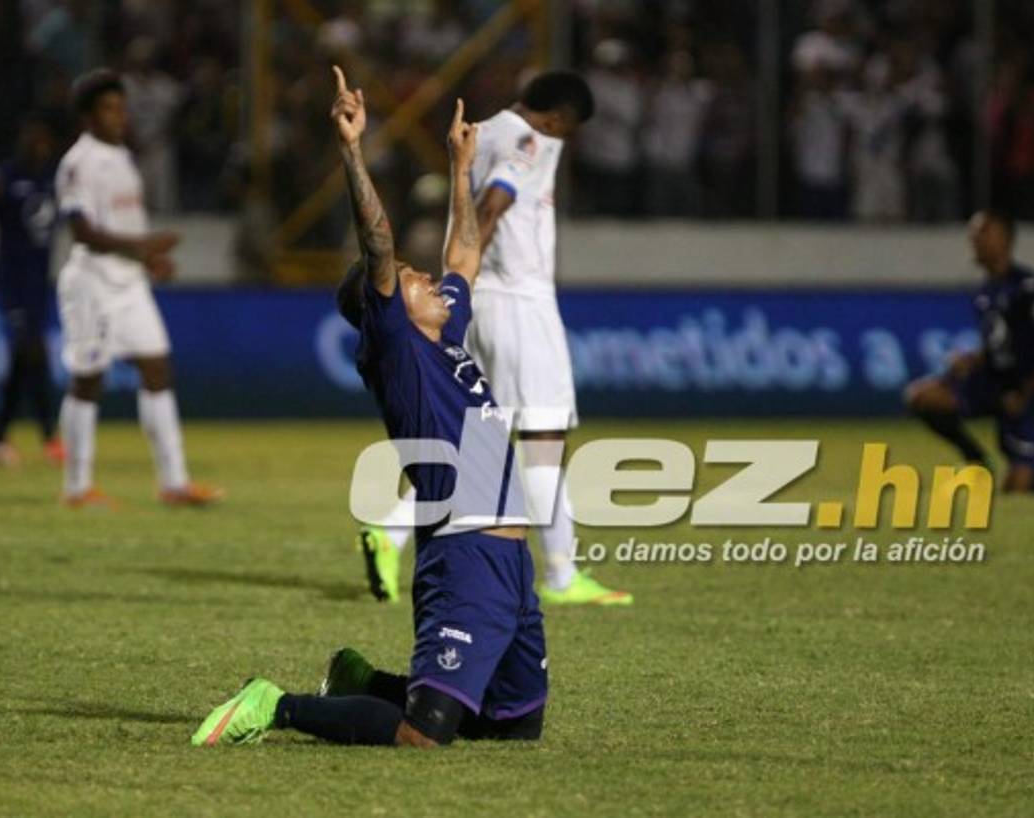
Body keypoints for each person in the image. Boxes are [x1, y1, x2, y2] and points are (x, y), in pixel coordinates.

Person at [191, 68, 545, 748]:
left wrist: (460, 167)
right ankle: (277, 705)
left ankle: (361, 680)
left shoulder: (443, 334)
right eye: (410, 279)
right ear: (387, 312)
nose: (426, 277)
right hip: (465, 555)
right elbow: (377, 244)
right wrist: (353, 148)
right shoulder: (401, 349)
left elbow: (465, 255)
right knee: (423, 735)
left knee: (514, 725)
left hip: (509, 562)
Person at [357, 70, 633, 606]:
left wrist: (461, 285)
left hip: (479, 304)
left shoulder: (479, 132)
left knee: (477, 444)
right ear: (558, 120)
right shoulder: (530, 141)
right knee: (544, 436)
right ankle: (562, 575)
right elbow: (494, 202)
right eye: (568, 130)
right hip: (518, 302)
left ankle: (389, 531)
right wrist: (464, 273)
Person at [54, 68, 221, 507]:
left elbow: (122, 225)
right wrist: (143, 247)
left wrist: (147, 259)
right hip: (92, 282)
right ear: (88, 116)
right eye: (109, 109)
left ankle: (174, 483)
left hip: (129, 283)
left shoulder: (123, 157)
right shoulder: (79, 163)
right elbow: (82, 232)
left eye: (121, 108)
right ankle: (76, 487)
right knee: (88, 379)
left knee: (157, 367)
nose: (119, 116)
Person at [904, 210, 1034, 494]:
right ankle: (978, 464)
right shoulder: (985, 293)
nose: (974, 240)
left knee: (1016, 492)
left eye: (983, 233)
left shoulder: (1027, 286)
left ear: (1005, 240)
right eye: (973, 234)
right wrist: (972, 360)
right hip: (998, 383)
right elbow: (1001, 345)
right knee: (922, 397)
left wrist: (1027, 391)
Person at [0, 116, 64, 467]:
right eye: (32, 138)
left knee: (23, 359)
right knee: (32, 350)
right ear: (22, 141)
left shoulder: (53, 180)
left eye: (44, 139)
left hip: (39, 283)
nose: (38, 146)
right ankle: (49, 437)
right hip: (12, 282)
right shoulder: (4, 176)